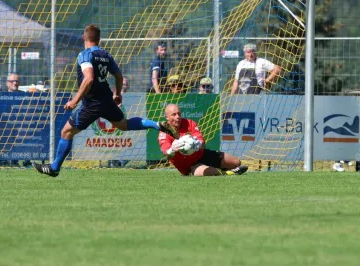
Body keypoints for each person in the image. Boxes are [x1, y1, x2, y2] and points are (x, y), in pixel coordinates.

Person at [34, 24, 178, 177]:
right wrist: (117, 93)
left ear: (84, 37)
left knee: (66, 131)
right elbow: (118, 76)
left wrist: (75, 100)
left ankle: (54, 167)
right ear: (99, 39)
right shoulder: (106, 55)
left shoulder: (85, 54)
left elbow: (89, 79)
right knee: (124, 124)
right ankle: (156, 125)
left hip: (93, 103)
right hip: (107, 99)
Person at [158, 103, 248, 176]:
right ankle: (228, 173)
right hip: (189, 166)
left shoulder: (189, 123)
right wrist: (171, 150)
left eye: (179, 114)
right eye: (174, 114)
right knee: (206, 172)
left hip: (203, 155)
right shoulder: (164, 133)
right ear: (167, 117)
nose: (178, 117)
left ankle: (222, 168)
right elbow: (166, 152)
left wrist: (198, 144)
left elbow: (202, 142)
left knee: (236, 162)